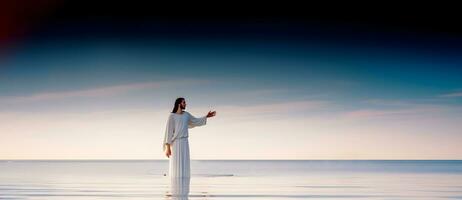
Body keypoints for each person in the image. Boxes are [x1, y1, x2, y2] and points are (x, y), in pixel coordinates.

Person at [163, 97, 216, 178]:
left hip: (185, 142)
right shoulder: (172, 116)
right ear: (179, 104)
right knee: (176, 162)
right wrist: (168, 148)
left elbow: (195, 121)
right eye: (184, 102)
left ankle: (184, 181)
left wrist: (206, 116)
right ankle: (175, 180)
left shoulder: (186, 115)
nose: (185, 104)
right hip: (176, 143)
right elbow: (169, 131)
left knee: (184, 161)